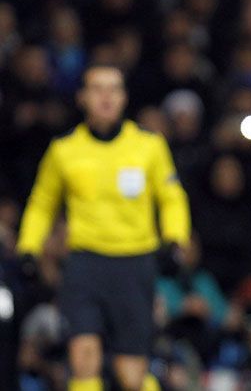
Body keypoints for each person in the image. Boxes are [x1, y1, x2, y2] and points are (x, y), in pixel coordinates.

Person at [17, 64, 191, 391]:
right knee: (83, 356)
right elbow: (42, 203)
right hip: (85, 264)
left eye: (114, 89)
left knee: (132, 373)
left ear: (124, 97)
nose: (106, 97)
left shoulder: (148, 146)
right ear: (83, 97)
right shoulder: (64, 150)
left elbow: (171, 197)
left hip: (135, 262)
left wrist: (174, 239)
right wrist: (29, 247)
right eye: (97, 89)